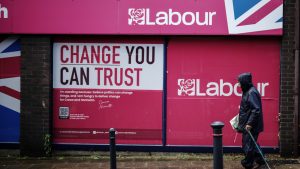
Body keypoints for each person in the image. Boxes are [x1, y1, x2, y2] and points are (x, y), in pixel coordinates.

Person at [237, 72, 265, 169]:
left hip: (251, 125)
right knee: (252, 144)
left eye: (239, 82)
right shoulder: (248, 91)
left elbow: (256, 110)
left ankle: (248, 164)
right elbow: (250, 108)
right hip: (249, 124)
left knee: (248, 146)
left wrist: (249, 123)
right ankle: (261, 161)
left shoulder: (251, 92)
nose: (238, 84)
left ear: (244, 82)